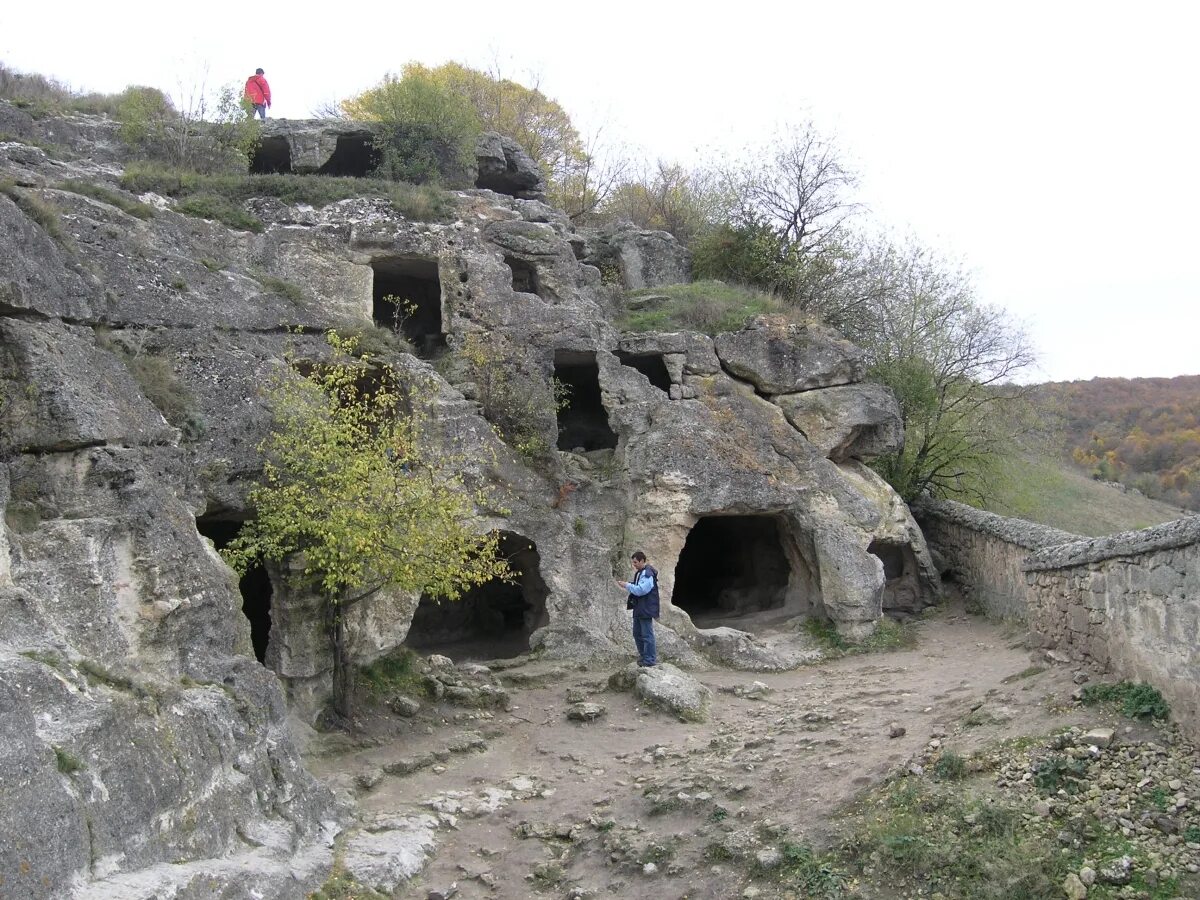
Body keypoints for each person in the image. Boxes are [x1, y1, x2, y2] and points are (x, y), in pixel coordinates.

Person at [615, 551, 659, 667]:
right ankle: (644, 656)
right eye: (633, 562)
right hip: (640, 608)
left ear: (642, 561)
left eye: (635, 562)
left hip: (645, 609)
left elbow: (641, 590)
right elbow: (639, 587)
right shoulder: (641, 573)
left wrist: (627, 585)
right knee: (637, 633)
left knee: (647, 635)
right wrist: (629, 584)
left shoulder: (647, 574)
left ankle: (649, 660)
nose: (633, 564)